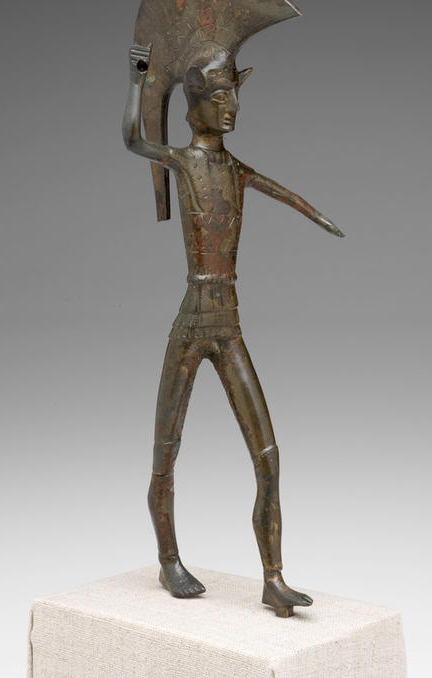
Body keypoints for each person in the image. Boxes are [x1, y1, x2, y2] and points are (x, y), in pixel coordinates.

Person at [123, 40, 343, 617]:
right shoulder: (184, 161)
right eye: (221, 97)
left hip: (229, 325)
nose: (233, 108)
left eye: (235, 97)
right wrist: (139, 80)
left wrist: (317, 214)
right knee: (165, 456)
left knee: (268, 457)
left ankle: (273, 579)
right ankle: (169, 560)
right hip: (191, 322)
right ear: (194, 103)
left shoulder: (234, 170)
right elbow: (134, 140)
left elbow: (285, 193)